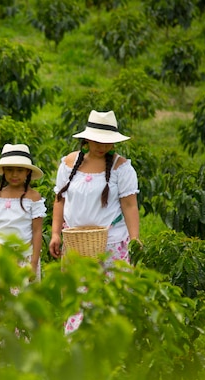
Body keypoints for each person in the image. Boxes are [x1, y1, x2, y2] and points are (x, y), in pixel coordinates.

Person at [48, 110, 140, 334]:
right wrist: (55, 234)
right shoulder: (70, 164)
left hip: (112, 244)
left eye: (107, 142)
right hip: (77, 245)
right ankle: (76, 348)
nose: (102, 147)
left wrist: (135, 239)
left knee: (112, 297)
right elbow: (59, 200)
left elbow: (129, 205)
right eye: (97, 141)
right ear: (86, 139)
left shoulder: (121, 168)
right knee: (78, 297)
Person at [0, 143, 47, 281]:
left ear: (28, 172)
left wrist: (33, 263)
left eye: (19, 170)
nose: (14, 174)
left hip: (24, 257)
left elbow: (37, 232)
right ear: (3, 171)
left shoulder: (33, 197)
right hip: (2, 258)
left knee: (23, 298)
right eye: (10, 170)